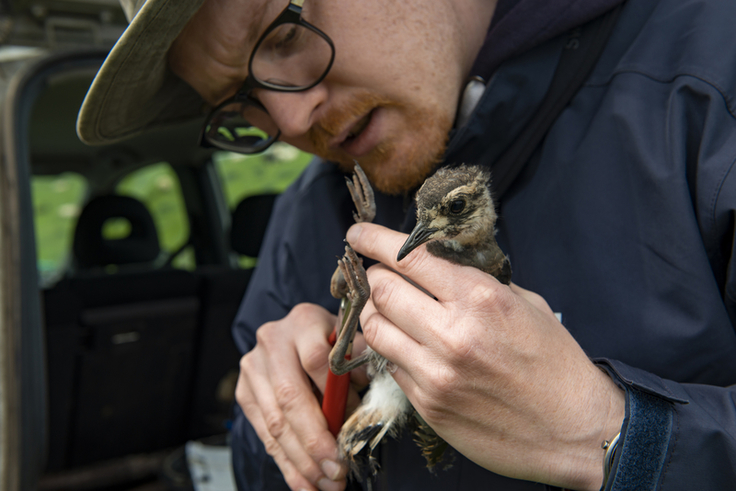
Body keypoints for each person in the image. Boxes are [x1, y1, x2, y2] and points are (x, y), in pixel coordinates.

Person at [76, 0, 736, 489]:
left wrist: (624, 434)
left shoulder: (709, 87)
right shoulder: (313, 213)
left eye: (284, 31)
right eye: (240, 101)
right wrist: (284, 421)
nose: (291, 119)